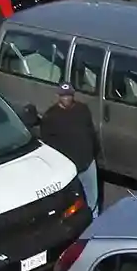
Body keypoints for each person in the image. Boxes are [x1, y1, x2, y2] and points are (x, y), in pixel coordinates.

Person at [40, 84, 102, 212]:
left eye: (69, 95)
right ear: (58, 96)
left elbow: (91, 132)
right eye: (63, 95)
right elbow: (48, 143)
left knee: (93, 199)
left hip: (87, 162)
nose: (66, 98)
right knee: (71, 202)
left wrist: (94, 153)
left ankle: (95, 223)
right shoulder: (50, 116)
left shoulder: (82, 109)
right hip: (69, 167)